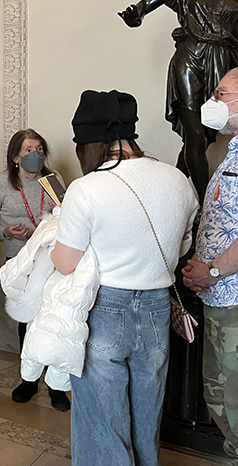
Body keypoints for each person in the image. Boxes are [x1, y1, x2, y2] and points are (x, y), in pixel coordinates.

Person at [51, 90, 198, 466]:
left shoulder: (86, 189)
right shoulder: (178, 179)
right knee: (147, 414)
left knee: (102, 421)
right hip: (156, 308)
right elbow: (181, 248)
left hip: (105, 308)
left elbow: (66, 263)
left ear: (88, 142)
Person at [119, 0, 238, 202]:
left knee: (204, 137)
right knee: (195, 133)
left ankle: (174, 195)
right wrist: (135, 15)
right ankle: (206, 205)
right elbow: (144, 6)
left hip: (222, 63)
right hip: (189, 60)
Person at [0, 128, 68, 408]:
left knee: (54, 319)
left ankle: (55, 385)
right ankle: (29, 379)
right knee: (26, 319)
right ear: (16, 156)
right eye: (28, 150)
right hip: (19, 260)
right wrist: (6, 231)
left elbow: (68, 215)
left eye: (39, 148)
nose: (36, 154)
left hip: (53, 260)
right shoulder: (2, 183)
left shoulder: (54, 180)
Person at [183, 68, 238, 464]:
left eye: (221, 93)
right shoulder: (231, 149)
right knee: (219, 394)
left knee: (235, 398)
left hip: (232, 296)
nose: (213, 101)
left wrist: (213, 270)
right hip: (217, 296)